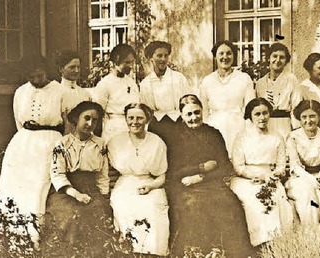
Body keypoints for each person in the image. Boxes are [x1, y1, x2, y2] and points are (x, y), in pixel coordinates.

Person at [165, 94, 252, 257]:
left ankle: (229, 253)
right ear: (181, 115)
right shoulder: (174, 137)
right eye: (189, 114)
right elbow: (174, 170)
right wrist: (202, 167)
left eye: (197, 112)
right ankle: (196, 253)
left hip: (211, 183)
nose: (194, 117)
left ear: (202, 111)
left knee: (230, 204)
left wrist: (201, 177)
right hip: (184, 186)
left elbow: (225, 166)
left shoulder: (214, 134)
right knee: (193, 206)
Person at [0, 57, 64, 248]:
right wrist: (27, 139)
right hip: (23, 145)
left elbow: (67, 120)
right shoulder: (21, 92)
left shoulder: (59, 90)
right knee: (14, 188)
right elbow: (18, 121)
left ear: (46, 71)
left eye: (38, 74)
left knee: (38, 188)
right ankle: (10, 239)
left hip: (49, 142)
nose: (35, 78)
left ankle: (34, 239)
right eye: (31, 75)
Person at [46, 101, 110, 253]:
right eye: (86, 118)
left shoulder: (100, 144)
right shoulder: (62, 143)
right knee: (73, 214)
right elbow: (57, 173)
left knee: (99, 211)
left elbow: (102, 174)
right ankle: (69, 253)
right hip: (65, 191)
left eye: (95, 120)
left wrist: (104, 195)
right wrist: (75, 193)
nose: (90, 123)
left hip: (90, 189)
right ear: (76, 119)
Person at [229, 98, 293, 247]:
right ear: (250, 116)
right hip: (245, 180)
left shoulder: (277, 137)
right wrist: (255, 176)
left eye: (265, 113)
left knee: (276, 198)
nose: (262, 117)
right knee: (255, 200)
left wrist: (270, 176)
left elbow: (281, 166)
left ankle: (277, 242)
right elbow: (238, 166)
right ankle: (261, 243)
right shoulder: (242, 137)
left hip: (270, 177)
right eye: (257, 114)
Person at [107, 103, 169, 256]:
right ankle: (129, 251)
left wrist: (150, 187)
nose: (135, 122)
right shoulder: (115, 142)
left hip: (151, 184)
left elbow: (162, 176)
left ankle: (153, 252)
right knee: (124, 204)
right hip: (125, 184)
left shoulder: (157, 142)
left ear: (147, 119)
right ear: (126, 119)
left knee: (152, 206)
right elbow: (106, 171)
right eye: (131, 118)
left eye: (140, 118)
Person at [285, 100, 320, 224]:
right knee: (307, 193)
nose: (308, 121)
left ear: (319, 117)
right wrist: (311, 180)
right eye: (304, 117)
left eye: (312, 116)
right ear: (299, 118)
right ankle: (311, 232)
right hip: (300, 178)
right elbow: (295, 165)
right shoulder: (293, 137)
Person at [199, 40, 255, 155]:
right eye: (221, 53)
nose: (225, 57)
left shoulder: (244, 78)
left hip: (238, 126)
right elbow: (203, 110)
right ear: (215, 56)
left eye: (229, 53)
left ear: (234, 56)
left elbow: (250, 109)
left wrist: (250, 133)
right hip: (214, 127)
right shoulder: (207, 81)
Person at [140, 41, 191, 141]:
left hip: (178, 124)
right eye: (159, 56)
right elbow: (145, 109)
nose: (163, 59)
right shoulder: (145, 83)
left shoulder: (178, 78)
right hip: (156, 125)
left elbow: (188, 102)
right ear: (151, 58)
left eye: (166, 56)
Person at [92, 44, 140, 140]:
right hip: (113, 131)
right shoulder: (105, 84)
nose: (130, 66)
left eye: (132, 62)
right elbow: (97, 114)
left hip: (133, 128)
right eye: (126, 62)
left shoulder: (131, 82)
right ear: (114, 63)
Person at [255, 43, 298, 140]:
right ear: (268, 58)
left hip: (284, 125)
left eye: (282, 57)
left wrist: (296, 131)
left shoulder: (291, 80)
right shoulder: (260, 83)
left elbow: (296, 107)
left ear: (286, 61)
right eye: (274, 56)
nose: (277, 60)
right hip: (266, 125)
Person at [53, 49, 91, 134]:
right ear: (61, 69)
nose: (77, 71)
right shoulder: (55, 92)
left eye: (78, 67)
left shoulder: (85, 94)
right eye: (72, 67)